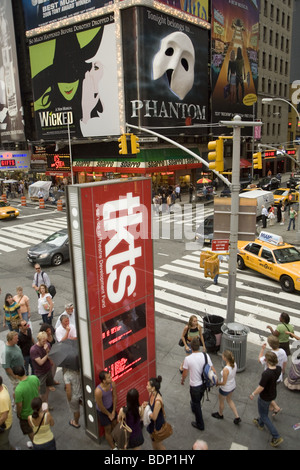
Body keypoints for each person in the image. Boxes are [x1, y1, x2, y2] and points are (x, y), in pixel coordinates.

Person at [181, 337, 216, 431]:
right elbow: (213, 369)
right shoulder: (206, 356)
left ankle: (200, 424)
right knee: (198, 399)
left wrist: (182, 380)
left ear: (191, 347)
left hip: (194, 385)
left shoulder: (188, 359)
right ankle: (194, 406)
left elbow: (185, 373)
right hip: (204, 384)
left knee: (196, 403)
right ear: (199, 347)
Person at [250, 351, 283, 447]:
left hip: (265, 396)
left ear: (267, 361)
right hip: (272, 394)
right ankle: (260, 424)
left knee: (264, 415)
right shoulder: (279, 369)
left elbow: (261, 387)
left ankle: (276, 436)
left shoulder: (266, 373)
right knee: (264, 412)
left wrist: (253, 393)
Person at [258, 335, 287, 415]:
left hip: (269, 376)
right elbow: (285, 362)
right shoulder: (282, 351)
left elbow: (260, 360)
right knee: (270, 390)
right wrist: (283, 371)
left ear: (270, 345)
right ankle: (271, 406)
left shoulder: (270, 355)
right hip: (278, 375)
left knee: (266, 392)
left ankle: (275, 407)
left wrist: (262, 349)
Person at [13, 365, 40, 448]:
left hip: (26, 414)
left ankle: (35, 444)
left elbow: (19, 405)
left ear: (16, 376)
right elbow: (38, 389)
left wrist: (18, 414)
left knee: (29, 430)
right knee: (36, 426)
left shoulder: (18, 389)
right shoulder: (34, 378)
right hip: (37, 408)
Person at [211, 350, 241, 424]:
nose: (222, 356)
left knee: (221, 401)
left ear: (225, 358)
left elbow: (224, 383)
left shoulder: (225, 369)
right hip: (232, 385)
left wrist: (217, 384)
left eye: (223, 356)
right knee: (229, 400)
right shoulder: (234, 363)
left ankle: (220, 414)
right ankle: (237, 416)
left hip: (225, 388)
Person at [30, 331, 55, 404]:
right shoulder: (34, 350)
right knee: (41, 391)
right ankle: (41, 405)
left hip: (48, 369)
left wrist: (48, 351)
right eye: (43, 341)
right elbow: (40, 362)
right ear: (38, 340)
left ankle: (45, 403)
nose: (45, 342)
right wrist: (47, 353)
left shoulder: (47, 345)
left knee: (47, 387)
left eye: (46, 340)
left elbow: (51, 358)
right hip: (40, 373)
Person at [95, 371, 117, 449]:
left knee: (115, 424)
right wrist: (109, 414)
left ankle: (116, 441)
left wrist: (114, 411)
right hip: (102, 411)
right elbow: (100, 406)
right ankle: (113, 447)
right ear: (104, 381)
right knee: (108, 429)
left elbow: (115, 396)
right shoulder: (98, 391)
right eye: (108, 377)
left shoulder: (112, 384)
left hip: (111, 408)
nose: (111, 378)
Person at [143, 375, 166, 450]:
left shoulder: (158, 401)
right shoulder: (151, 393)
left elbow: (154, 417)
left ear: (153, 388)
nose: (146, 386)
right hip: (152, 424)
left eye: (148, 385)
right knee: (153, 441)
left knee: (159, 445)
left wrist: (147, 410)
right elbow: (150, 403)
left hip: (157, 425)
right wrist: (147, 403)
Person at [0, 375, 13, 451]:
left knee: (2, 445)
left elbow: (4, 417)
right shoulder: (3, 386)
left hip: (4, 425)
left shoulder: (2, 398)